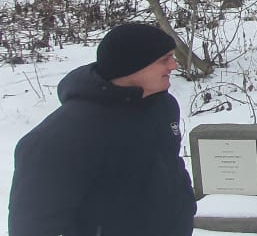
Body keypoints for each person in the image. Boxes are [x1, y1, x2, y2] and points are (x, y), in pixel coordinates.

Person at [8, 23, 196, 235]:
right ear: (133, 65)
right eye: (164, 60)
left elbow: (168, 167)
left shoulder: (163, 106)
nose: (174, 65)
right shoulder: (59, 138)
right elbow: (33, 224)